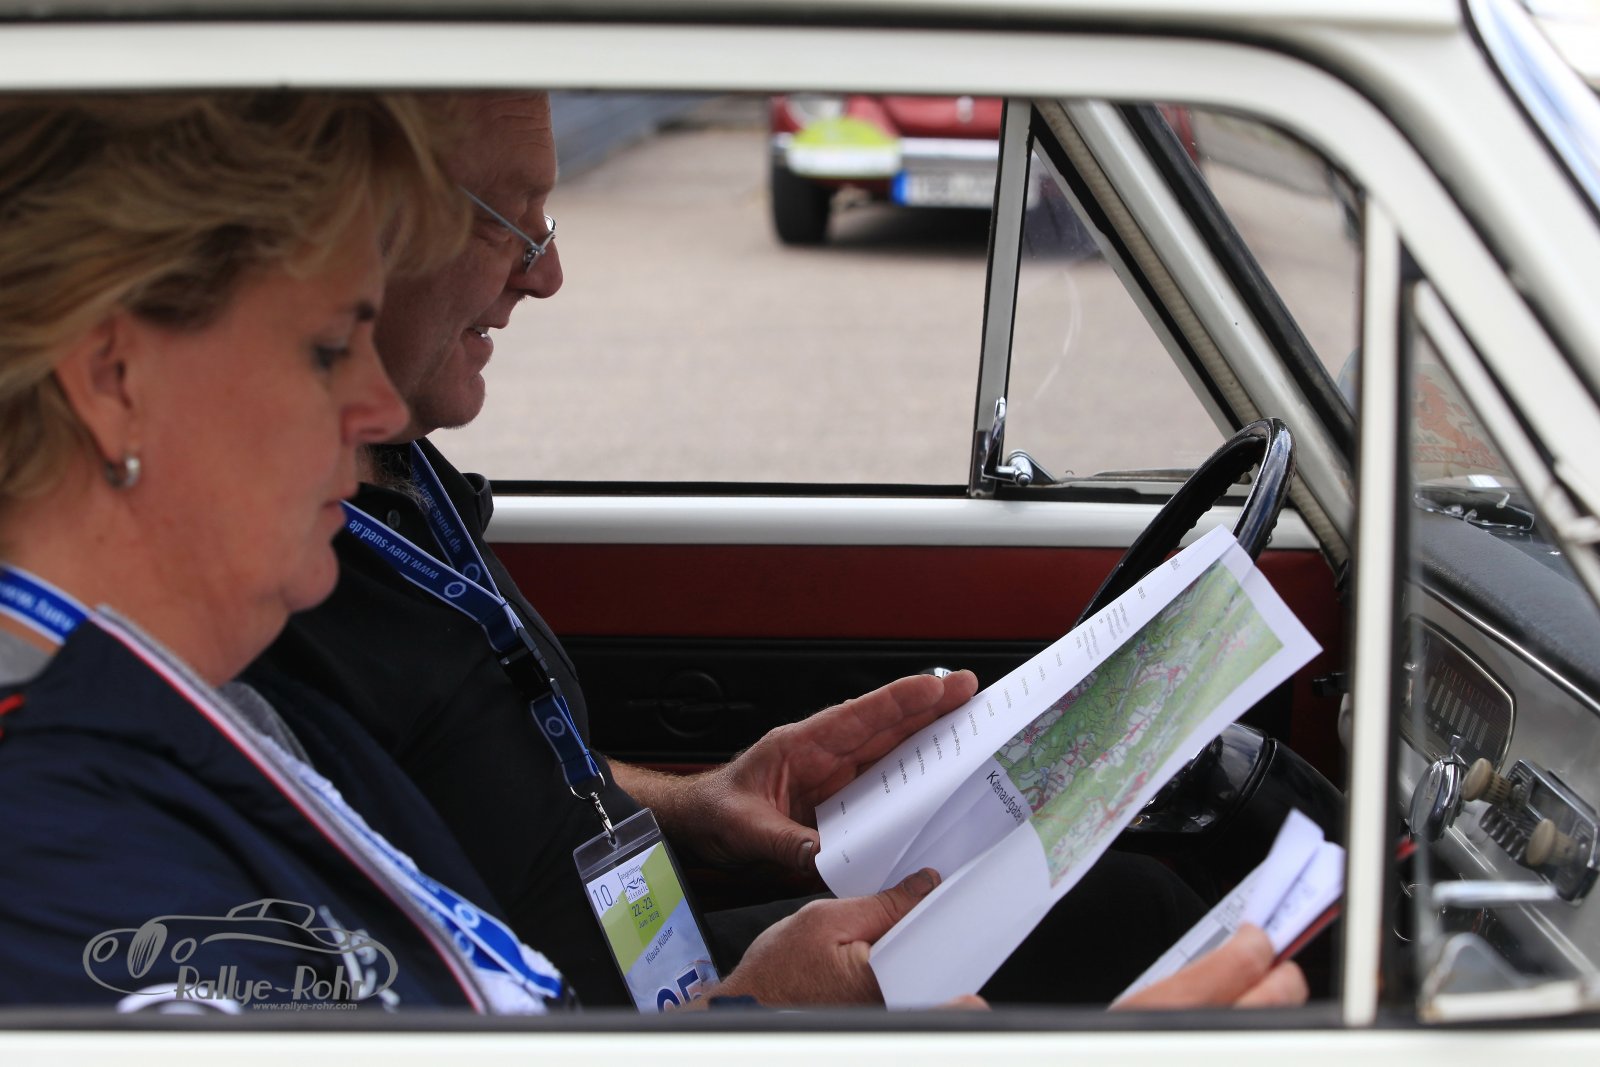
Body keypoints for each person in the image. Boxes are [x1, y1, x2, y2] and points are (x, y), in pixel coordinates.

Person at [249, 92, 1308, 1010]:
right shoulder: (251, 602)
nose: (549, 273)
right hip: (618, 1011)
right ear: (352, 222)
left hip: (645, 968)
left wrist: (700, 805)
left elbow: (482, 771)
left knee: (1131, 904)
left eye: (548, 220)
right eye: (510, 223)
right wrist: (754, 1017)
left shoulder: (398, 462)